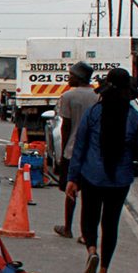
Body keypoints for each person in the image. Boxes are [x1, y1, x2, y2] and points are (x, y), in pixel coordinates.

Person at [66, 67, 138, 273]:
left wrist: (72, 178)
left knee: (89, 217)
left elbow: (80, 146)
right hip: (120, 178)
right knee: (111, 224)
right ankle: (103, 271)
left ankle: (92, 250)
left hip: (92, 174)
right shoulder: (135, 118)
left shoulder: (94, 113)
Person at [52, 62, 97, 240]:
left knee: (71, 190)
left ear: (78, 77)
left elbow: (66, 126)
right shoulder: (97, 96)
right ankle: (86, 233)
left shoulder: (68, 96)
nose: (68, 78)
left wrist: (63, 152)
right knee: (89, 195)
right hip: (92, 152)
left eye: (70, 75)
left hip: (72, 150)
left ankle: (68, 228)